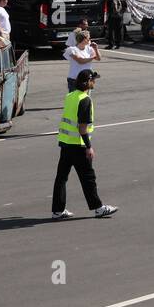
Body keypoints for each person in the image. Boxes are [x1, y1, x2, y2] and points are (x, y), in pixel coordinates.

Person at [52, 70, 118, 220]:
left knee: (61, 178)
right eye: (93, 80)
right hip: (78, 145)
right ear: (87, 82)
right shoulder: (85, 100)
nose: (94, 82)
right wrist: (89, 146)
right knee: (88, 178)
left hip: (65, 143)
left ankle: (57, 210)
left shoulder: (70, 96)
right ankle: (98, 208)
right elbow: (82, 127)